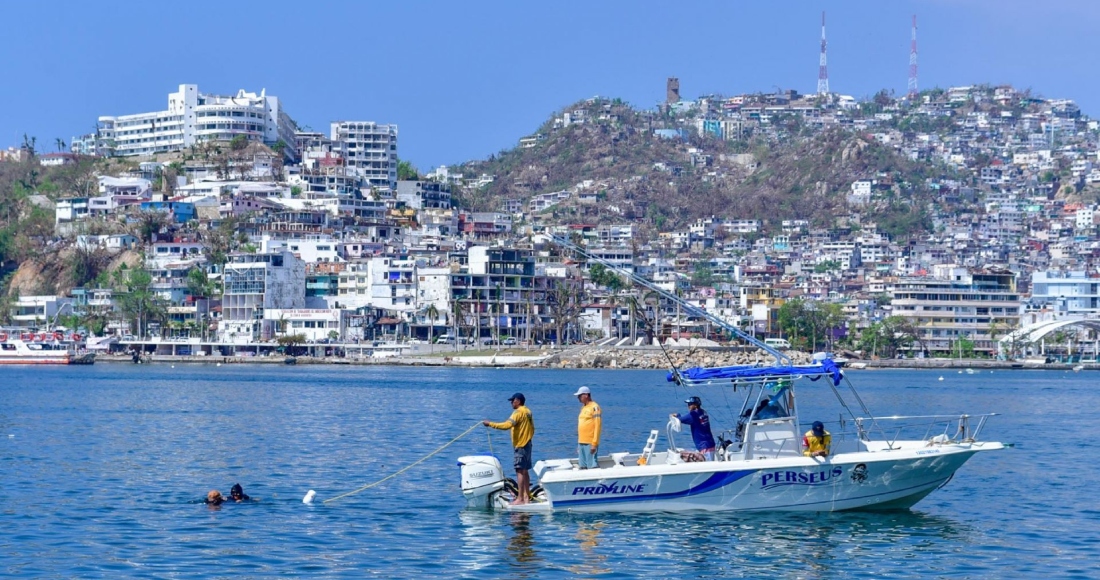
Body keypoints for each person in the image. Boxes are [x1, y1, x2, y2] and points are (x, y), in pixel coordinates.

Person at [484, 392, 535, 505]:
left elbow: (507, 425)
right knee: (525, 471)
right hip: (528, 444)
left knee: (519, 471)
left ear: (518, 401)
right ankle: (526, 497)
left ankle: (520, 499)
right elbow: (532, 428)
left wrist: (490, 424)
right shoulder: (528, 411)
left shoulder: (517, 412)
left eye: (513, 401)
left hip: (521, 445)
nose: (511, 403)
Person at [671, 396, 717, 461]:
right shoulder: (703, 412)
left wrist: (676, 415)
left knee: (707, 466)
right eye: (688, 404)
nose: (688, 406)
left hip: (704, 446)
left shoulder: (694, 414)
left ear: (695, 405)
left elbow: (680, 420)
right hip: (709, 443)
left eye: (690, 404)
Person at [574, 386, 602, 469]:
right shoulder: (583, 408)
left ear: (586, 395)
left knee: (591, 466)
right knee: (582, 466)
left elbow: (598, 425)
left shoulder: (595, 407)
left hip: (590, 442)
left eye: (579, 396)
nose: (578, 398)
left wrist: (594, 443)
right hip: (581, 441)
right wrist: (579, 443)